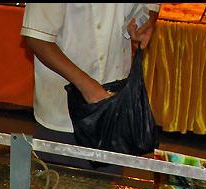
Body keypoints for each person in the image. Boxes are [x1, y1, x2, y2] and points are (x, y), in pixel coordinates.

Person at [21, 3, 160, 170]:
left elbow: (149, 6)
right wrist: (86, 87)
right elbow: (37, 39)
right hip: (63, 109)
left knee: (105, 185)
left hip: (113, 106)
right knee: (59, 186)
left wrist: (145, 21)